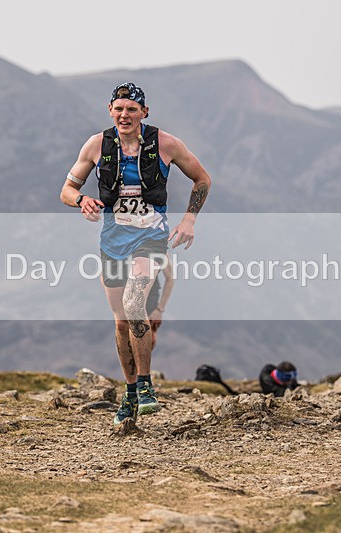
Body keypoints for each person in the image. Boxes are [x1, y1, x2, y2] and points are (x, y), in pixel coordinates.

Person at [61, 82, 211, 426]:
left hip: (151, 238)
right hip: (113, 240)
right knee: (121, 320)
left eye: (132, 109)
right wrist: (81, 200)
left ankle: (145, 385)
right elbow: (67, 189)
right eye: (119, 109)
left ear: (145, 112)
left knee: (134, 303)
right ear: (110, 111)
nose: (125, 115)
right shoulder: (98, 145)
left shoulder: (167, 144)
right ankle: (130, 393)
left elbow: (202, 179)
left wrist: (189, 219)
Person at [146, 257, 175, 351]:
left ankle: (143, 365)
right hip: (127, 301)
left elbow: (170, 277)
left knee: (147, 340)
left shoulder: (157, 245)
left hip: (150, 303)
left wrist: (160, 309)